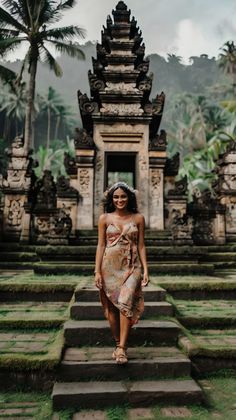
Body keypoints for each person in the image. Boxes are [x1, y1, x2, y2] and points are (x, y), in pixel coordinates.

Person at [94, 181, 149, 365]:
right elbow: (101, 245)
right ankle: (118, 343)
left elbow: (141, 245)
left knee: (125, 302)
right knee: (110, 308)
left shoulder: (138, 218)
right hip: (109, 267)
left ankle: (122, 349)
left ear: (129, 198)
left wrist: (146, 269)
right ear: (111, 199)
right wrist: (97, 272)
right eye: (116, 197)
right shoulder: (104, 218)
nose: (120, 200)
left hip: (132, 267)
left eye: (123, 196)